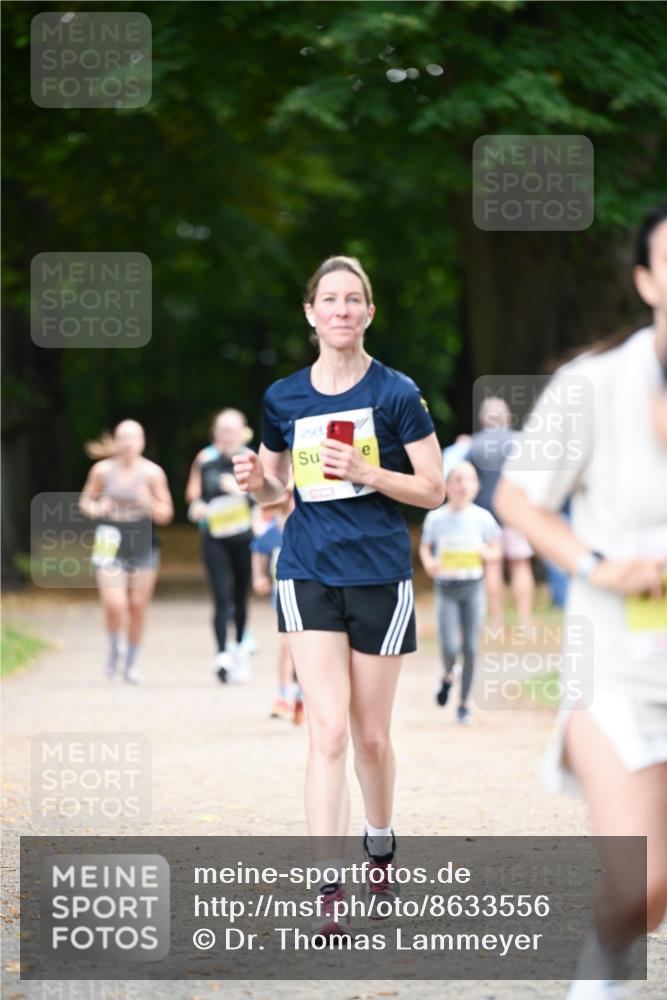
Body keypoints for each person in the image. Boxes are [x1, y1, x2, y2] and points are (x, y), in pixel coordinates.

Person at [232, 255, 445, 936]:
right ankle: (329, 883)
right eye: (330, 299)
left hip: (380, 573)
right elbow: (274, 491)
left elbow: (433, 489)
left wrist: (367, 470)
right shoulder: (283, 398)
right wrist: (252, 482)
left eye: (354, 299)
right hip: (306, 569)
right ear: (310, 313)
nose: (342, 310)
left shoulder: (396, 394)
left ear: (369, 312)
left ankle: (378, 840)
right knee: (325, 730)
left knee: (371, 737)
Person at [494, 205, 667, 1000]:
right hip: (616, 666)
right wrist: (597, 564)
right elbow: (518, 501)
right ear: (645, 280)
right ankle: (596, 977)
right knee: (642, 886)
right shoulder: (591, 386)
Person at [79, 420, 174, 683]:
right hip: (109, 541)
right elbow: (86, 501)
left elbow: (167, 514)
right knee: (114, 605)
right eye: (124, 437)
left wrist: (150, 504)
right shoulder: (102, 471)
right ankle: (113, 650)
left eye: (134, 437)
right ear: (116, 440)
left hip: (143, 543)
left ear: (142, 442)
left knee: (137, 605)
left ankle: (131, 663)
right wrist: (97, 508)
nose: (129, 442)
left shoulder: (153, 473)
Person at [419, 461, 501, 725]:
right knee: (450, 646)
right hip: (446, 590)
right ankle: (446, 675)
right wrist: (430, 563)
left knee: (471, 648)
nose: (463, 485)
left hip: (473, 588)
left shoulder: (483, 518)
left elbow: (496, 550)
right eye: (457, 480)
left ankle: (464, 704)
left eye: (469, 480)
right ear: (447, 485)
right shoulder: (436, 518)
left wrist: (484, 553)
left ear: (477, 486)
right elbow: (425, 547)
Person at [186, 408, 255, 684]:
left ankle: (239, 648)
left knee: (240, 596)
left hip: (245, 538)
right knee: (221, 595)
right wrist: (197, 508)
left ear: (243, 431)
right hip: (215, 537)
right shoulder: (206, 460)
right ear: (215, 433)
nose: (227, 435)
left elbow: (267, 496)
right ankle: (222, 654)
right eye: (222, 430)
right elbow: (192, 496)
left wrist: (240, 491)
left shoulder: (252, 459)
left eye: (233, 430)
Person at [466, 397, 535, 628]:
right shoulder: (520, 441)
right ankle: (525, 622)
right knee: (520, 564)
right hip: (517, 514)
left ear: (484, 419)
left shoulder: (474, 445)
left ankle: (496, 622)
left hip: (486, 515)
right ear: (506, 417)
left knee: (492, 566)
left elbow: (465, 476)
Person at [251, 486, 305, 725]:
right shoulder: (273, 529)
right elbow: (259, 552)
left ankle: (304, 695)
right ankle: (283, 696)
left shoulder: (308, 527)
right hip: (282, 590)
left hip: (310, 589)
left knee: (308, 646)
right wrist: (258, 577)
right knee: (286, 644)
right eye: (287, 495)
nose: (290, 499)